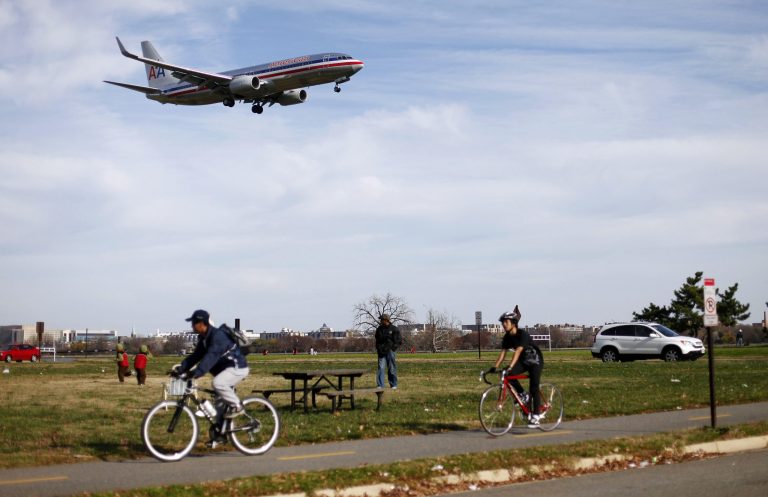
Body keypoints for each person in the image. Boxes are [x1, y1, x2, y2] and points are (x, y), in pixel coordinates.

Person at [174, 310, 250, 422]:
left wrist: (197, 372)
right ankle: (220, 435)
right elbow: (195, 356)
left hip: (237, 367)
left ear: (201, 323)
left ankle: (237, 406)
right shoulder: (204, 338)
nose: (192, 326)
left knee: (217, 383)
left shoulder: (217, 336)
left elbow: (211, 357)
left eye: (194, 323)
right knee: (220, 410)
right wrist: (180, 369)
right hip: (225, 370)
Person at [487, 305, 544, 428]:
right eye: (503, 323)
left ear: (513, 323)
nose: (504, 325)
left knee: (534, 387)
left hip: (535, 361)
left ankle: (536, 416)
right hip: (523, 361)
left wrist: (510, 366)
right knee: (508, 374)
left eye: (506, 322)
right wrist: (494, 367)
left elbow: (518, 351)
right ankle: (523, 394)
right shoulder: (507, 337)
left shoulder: (522, 334)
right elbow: (503, 353)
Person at [375, 314, 402, 389]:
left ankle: (393, 384)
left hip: (390, 351)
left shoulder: (394, 329)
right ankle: (380, 385)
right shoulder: (379, 329)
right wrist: (378, 348)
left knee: (392, 368)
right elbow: (377, 339)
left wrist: (393, 348)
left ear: (386, 320)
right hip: (381, 351)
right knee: (381, 368)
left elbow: (399, 340)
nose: (380, 321)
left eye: (382, 319)